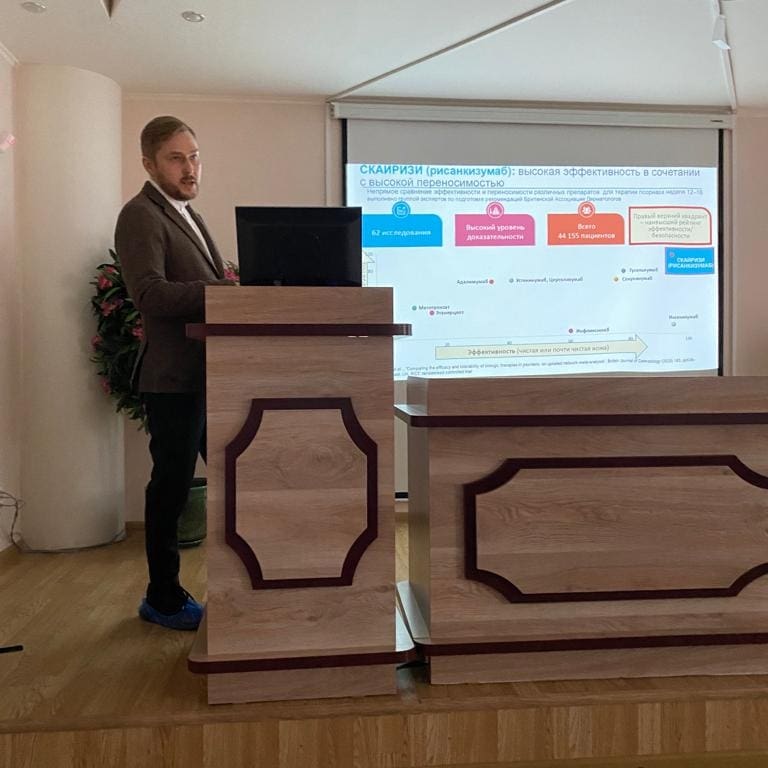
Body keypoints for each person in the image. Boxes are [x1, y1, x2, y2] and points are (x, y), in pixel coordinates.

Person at [115, 115, 233, 630]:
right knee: (171, 488)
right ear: (149, 164)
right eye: (176, 159)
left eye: (195, 157)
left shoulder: (189, 213)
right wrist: (224, 292)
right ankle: (161, 598)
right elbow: (150, 294)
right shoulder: (140, 215)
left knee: (231, 478)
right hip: (172, 379)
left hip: (209, 375)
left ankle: (244, 584)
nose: (190, 168)